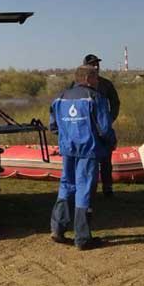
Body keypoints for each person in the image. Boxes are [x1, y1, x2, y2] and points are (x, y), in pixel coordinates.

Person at [49, 65, 116, 251]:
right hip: (88, 149)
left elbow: (53, 126)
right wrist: (111, 142)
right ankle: (83, 237)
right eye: (96, 77)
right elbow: (104, 128)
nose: (98, 81)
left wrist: (68, 136)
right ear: (88, 78)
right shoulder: (95, 98)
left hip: (68, 149)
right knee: (84, 189)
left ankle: (57, 228)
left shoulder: (60, 98)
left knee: (66, 185)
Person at [82, 54, 120, 198]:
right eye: (92, 64)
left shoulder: (106, 84)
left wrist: (109, 119)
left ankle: (107, 188)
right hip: (86, 130)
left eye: (97, 64)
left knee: (106, 161)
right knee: (88, 162)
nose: (96, 67)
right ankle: (88, 190)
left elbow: (115, 103)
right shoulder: (77, 85)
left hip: (103, 129)